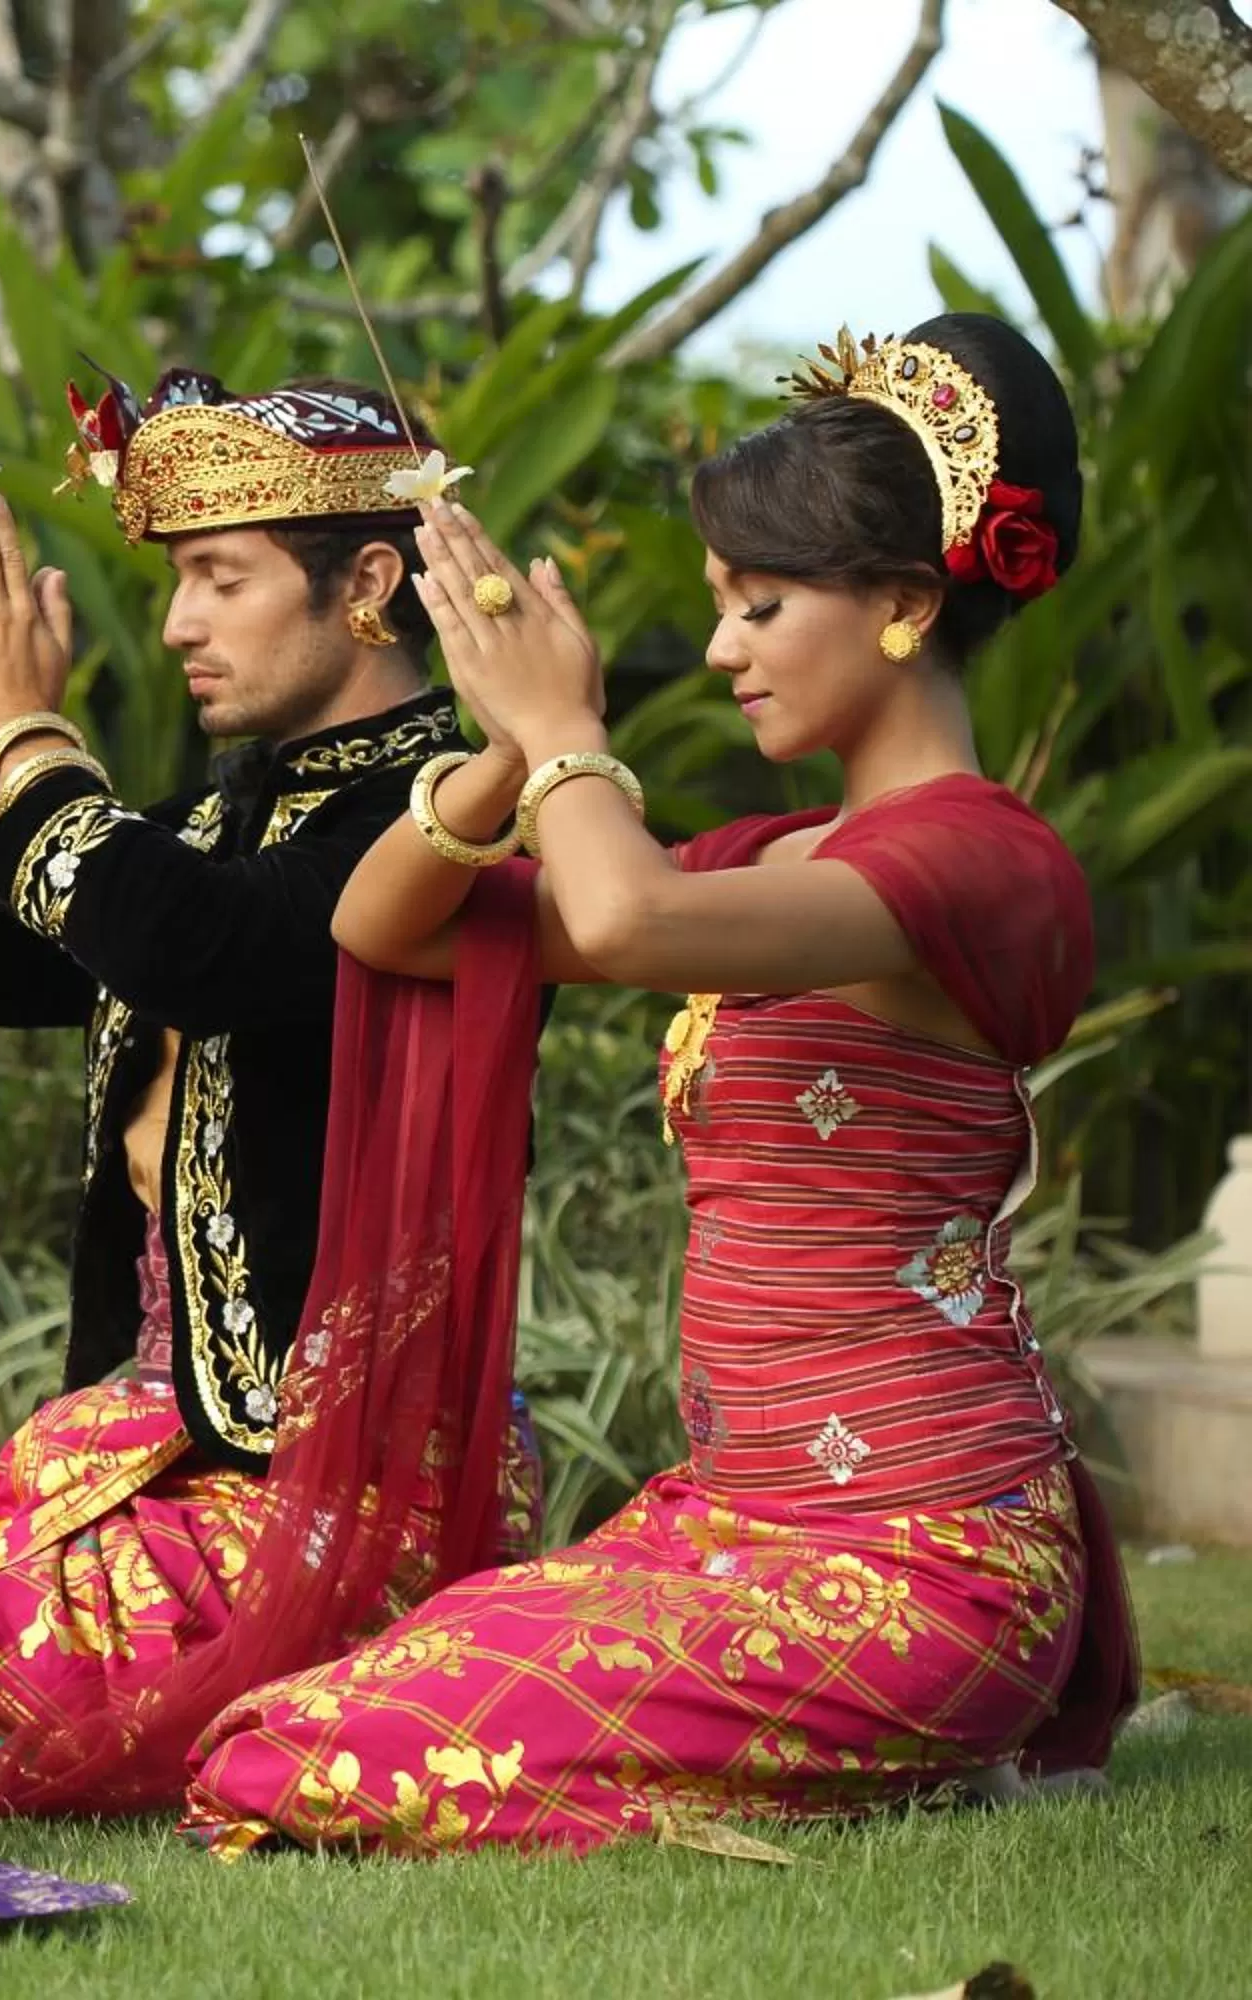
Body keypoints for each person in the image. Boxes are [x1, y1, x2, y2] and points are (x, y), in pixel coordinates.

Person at [182, 312, 1139, 1855]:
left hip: (927, 1553)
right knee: (293, 1714)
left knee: (295, 1764)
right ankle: (857, 1746)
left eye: (760, 606)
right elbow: (382, 926)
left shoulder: (986, 861)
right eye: (718, 607)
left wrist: (566, 734)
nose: (719, 652)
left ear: (903, 604)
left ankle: (926, 1721)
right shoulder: (763, 861)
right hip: (734, 1518)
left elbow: (623, 916)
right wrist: (506, 749)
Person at [0, 371, 540, 1815]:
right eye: (180, 581)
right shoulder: (209, 822)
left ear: (369, 581)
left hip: (332, 1487)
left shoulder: (454, 809)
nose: (179, 622)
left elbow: (204, 948)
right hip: (145, 1452)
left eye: (219, 577)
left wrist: (32, 736)